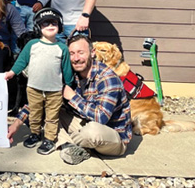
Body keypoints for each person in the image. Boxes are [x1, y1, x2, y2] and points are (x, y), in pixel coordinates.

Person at [7, 34, 132, 165]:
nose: (76, 58)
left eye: (81, 53)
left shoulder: (107, 78)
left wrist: (72, 97)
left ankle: (67, 142)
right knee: (47, 109)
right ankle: (72, 146)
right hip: (81, 123)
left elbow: (101, 117)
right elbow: (40, 100)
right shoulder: (68, 73)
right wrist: (16, 124)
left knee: (92, 132)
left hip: (111, 134)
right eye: (72, 53)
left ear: (92, 53)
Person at [4, 8, 73, 155]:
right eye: (45, 23)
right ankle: (35, 133)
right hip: (34, 88)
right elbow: (21, 61)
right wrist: (11, 72)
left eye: (53, 22)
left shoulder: (62, 48)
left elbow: (66, 69)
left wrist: (69, 83)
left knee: (51, 116)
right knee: (34, 113)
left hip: (54, 90)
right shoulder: (32, 45)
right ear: (38, 27)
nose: (49, 26)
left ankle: (49, 139)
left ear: (60, 25)